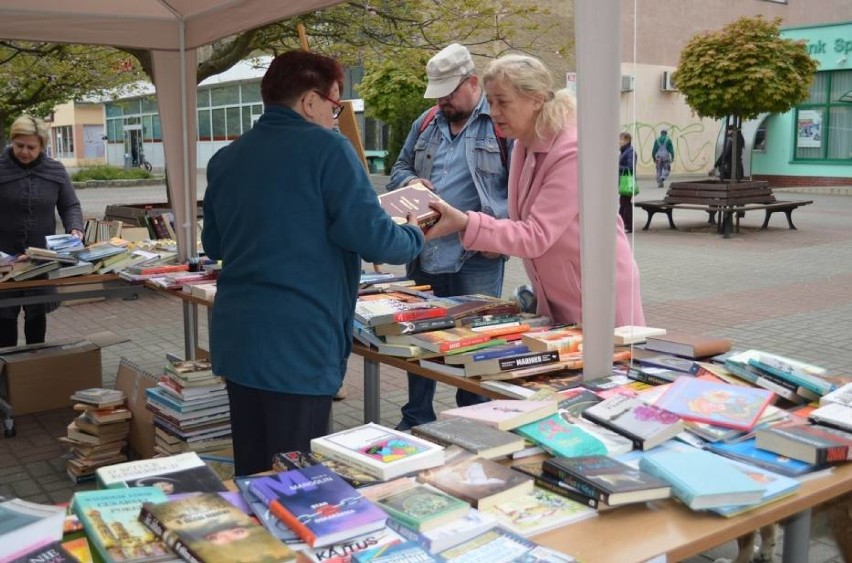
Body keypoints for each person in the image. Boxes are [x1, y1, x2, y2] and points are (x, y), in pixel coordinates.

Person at [201, 50, 424, 476]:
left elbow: (214, 244)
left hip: (238, 336)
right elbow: (376, 240)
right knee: (297, 481)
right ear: (309, 101)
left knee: (252, 470)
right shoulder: (328, 149)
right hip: (299, 342)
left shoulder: (225, 159)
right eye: (335, 106)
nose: (335, 117)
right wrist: (415, 231)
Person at [424, 54, 645, 328]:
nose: (493, 113)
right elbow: (522, 226)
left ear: (537, 100)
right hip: (560, 293)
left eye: (502, 102)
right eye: (490, 102)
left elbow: (535, 235)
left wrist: (467, 223)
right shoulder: (524, 143)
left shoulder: (573, 151)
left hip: (599, 295)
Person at [387, 43, 510, 431]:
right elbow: (399, 166)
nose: (442, 101)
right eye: (437, 93)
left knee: (473, 345)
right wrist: (410, 181)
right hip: (424, 252)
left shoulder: (501, 125)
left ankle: (469, 423)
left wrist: (497, 234)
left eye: (449, 92)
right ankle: (417, 417)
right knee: (417, 340)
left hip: (476, 256)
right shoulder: (426, 122)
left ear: (473, 82)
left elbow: (522, 191)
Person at [0, 115, 84, 348]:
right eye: (20, 146)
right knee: (4, 323)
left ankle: (34, 371)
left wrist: (75, 228)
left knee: (36, 319)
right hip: (4, 262)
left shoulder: (55, 171)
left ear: (42, 147)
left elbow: (70, 206)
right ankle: (7, 377)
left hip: (41, 260)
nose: (25, 152)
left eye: (31, 147)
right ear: (12, 141)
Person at [618, 131, 637, 234]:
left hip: (627, 181)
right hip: (624, 180)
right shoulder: (624, 151)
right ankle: (621, 224)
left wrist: (618, 167)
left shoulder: (630, 152)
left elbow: (630, 167)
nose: (619, 141)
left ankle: (628, 225)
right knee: (623, 203)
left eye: (621, 139)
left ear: (627, 140)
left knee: (626, 203)